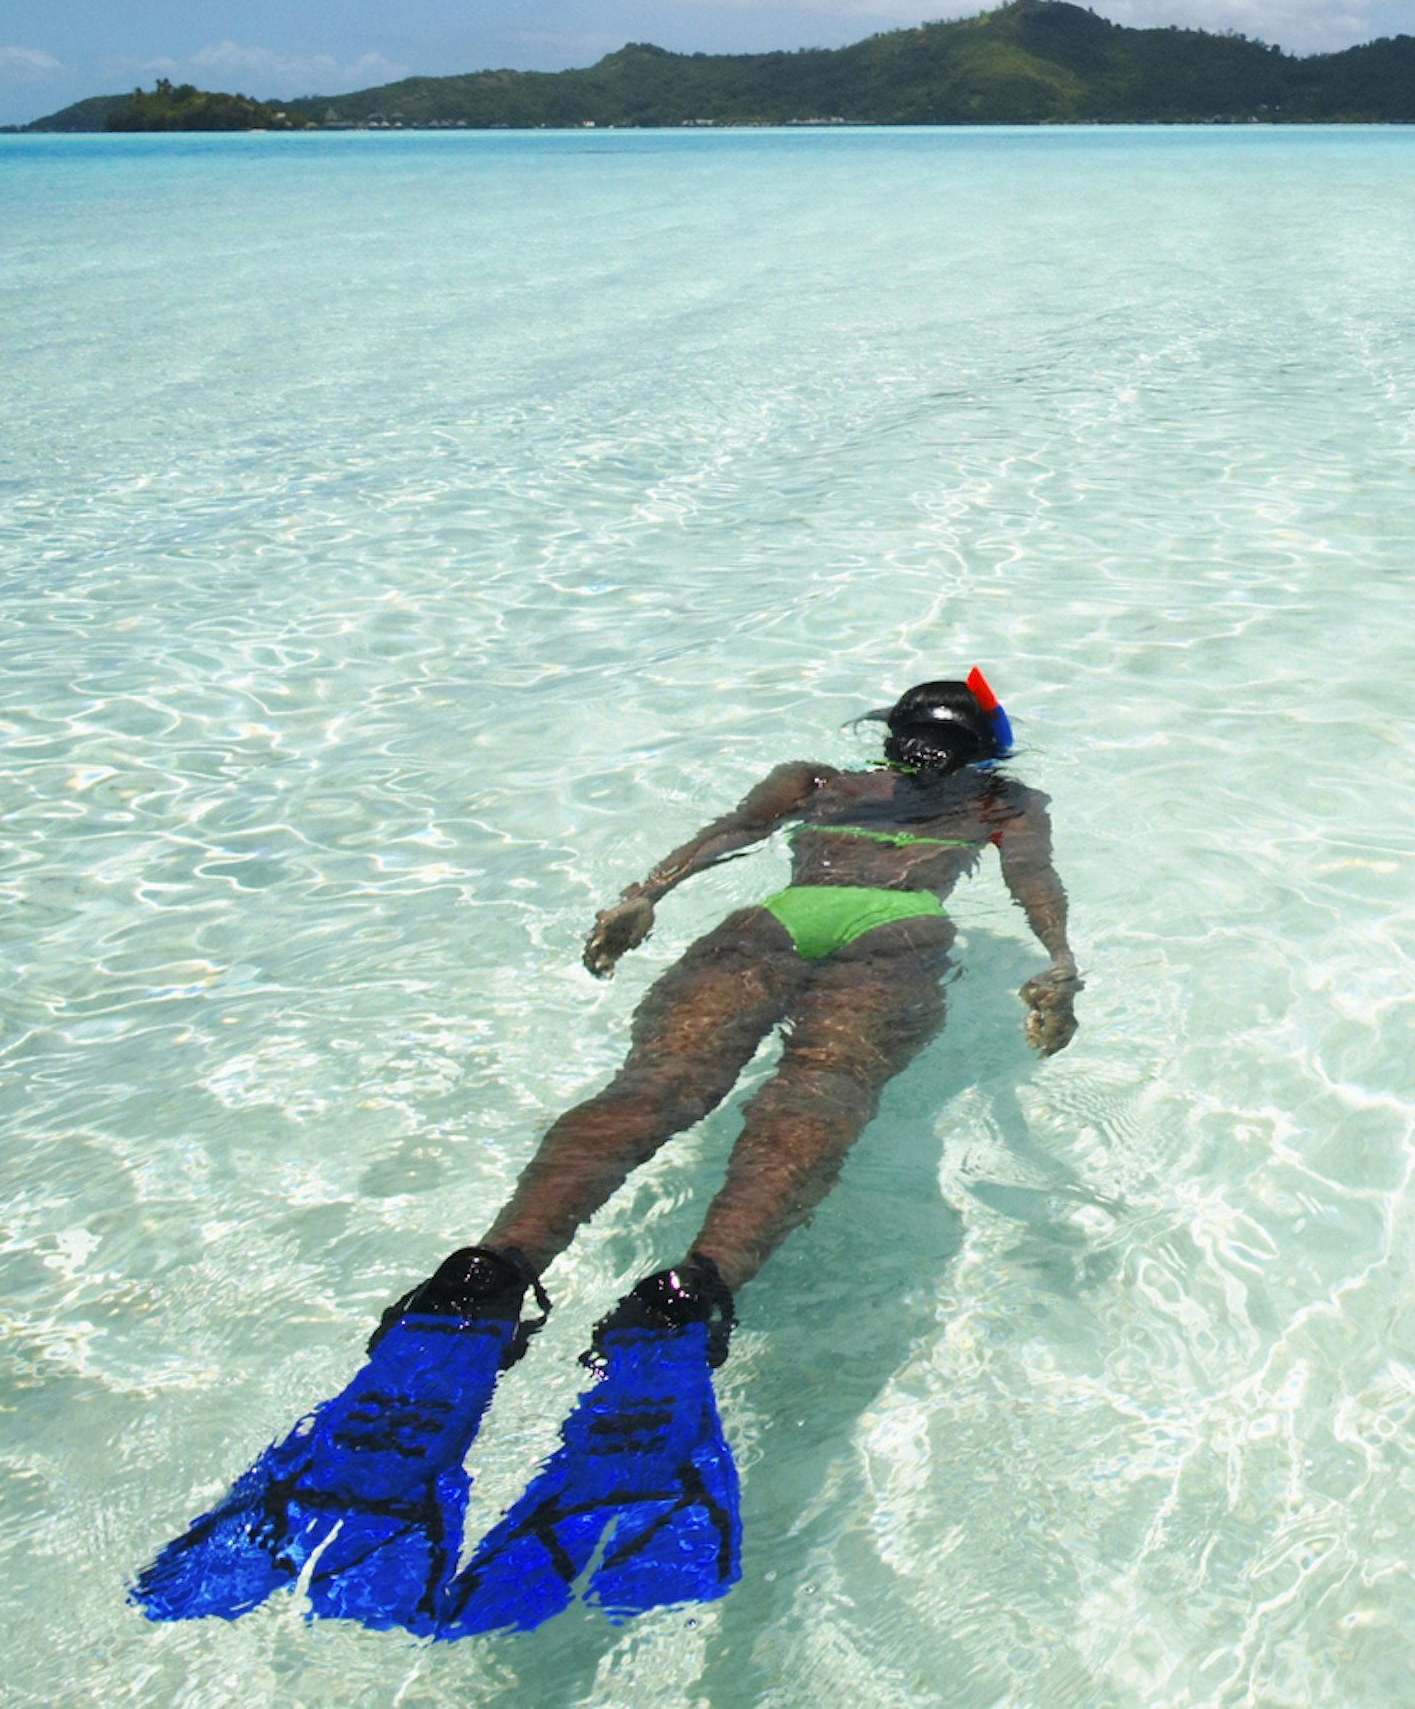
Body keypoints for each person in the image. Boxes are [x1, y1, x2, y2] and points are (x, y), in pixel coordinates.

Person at [134, 673, 1076, 1636]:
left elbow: (725, 836)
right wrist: (1058, 962)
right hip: (897, 935)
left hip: (771, 922)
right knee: (818, 1101)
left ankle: (485, 1277)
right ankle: (691, 1293)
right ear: (983, 751)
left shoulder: (815, 779)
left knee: (653, 1090)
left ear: (892, 736)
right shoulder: (1000, 800)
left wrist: (644, 898)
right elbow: (1030, 879)